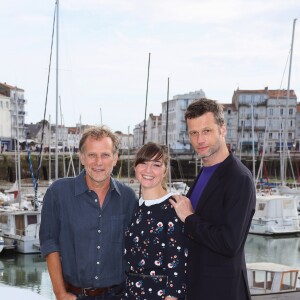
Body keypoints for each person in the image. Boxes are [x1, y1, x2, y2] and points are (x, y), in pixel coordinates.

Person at [169, 99, 256, 300]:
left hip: (223, 291)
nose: (200, 139)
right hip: (197, 287)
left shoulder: (239, 178)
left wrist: (189, 218)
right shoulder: (205, 172)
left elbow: (229, 243)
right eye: (193, 133)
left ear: (222, 129)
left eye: (206, 131)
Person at [39, 126, 138, 300]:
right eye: (92, 155)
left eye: (105, 155)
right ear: (82, 157)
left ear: (115, 158)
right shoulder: (58, 193)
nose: (98, 162)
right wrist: (60, 293)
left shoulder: (128, 197)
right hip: (73, 295)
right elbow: (49, 243)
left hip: (119, 295)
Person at [124, 142, 188, 300]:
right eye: (143, 163)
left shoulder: (174, 207)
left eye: (156, 165)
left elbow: (178, 267)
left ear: (165, 169)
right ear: (135, 166)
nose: (148, 170)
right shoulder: (136, 207)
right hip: (130, 294)